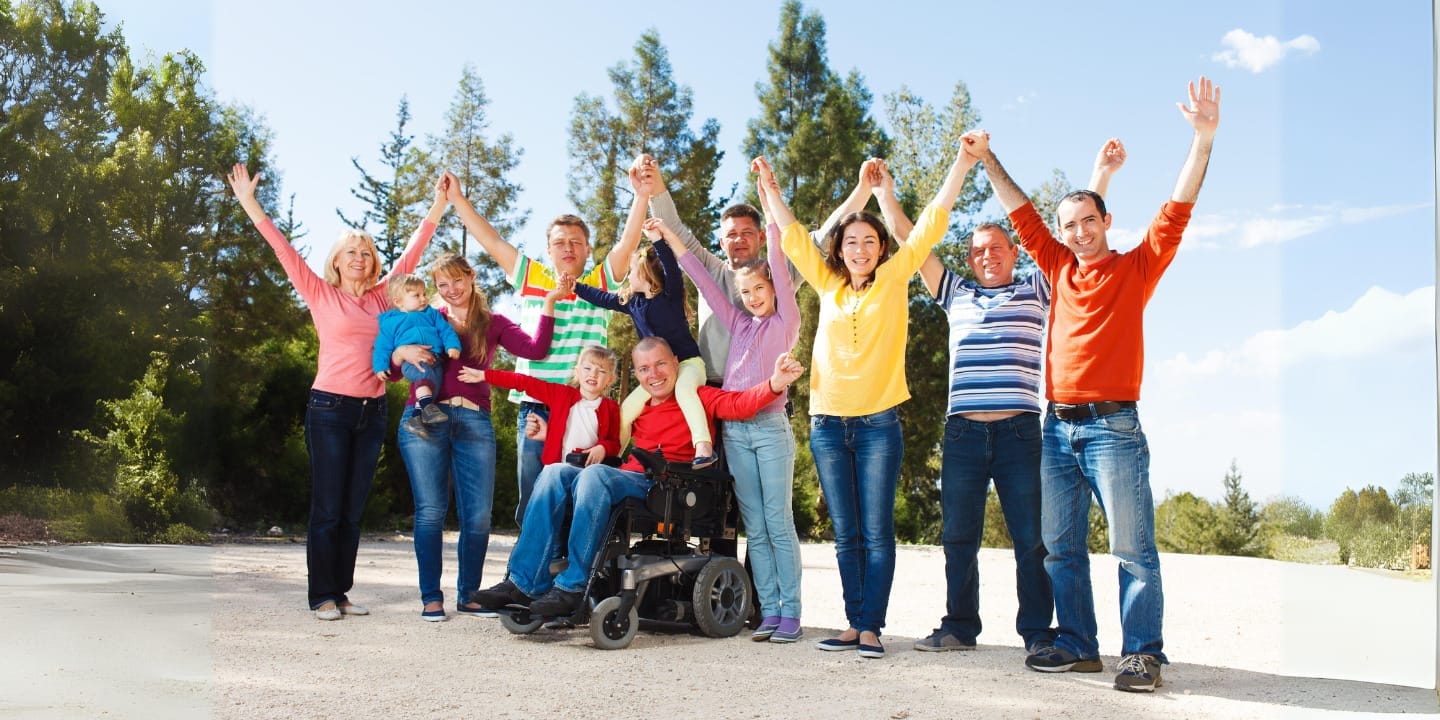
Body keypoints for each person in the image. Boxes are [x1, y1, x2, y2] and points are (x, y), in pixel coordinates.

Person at [969, 77, 1220, 692]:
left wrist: (1204, 139)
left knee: (1133, 550)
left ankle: (1142, 655)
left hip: (1113, 428)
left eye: (1088, 221)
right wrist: (985, 157)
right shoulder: (1056, 265)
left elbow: (1178, 207)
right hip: (1057, 428)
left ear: (1106, 221)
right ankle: (1079, 644)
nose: (1079, 231)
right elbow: (1020, 211)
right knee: (1061, 549)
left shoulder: (1137, 266)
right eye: (1070, 224)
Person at [860, 142, 1124, 659]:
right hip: (962, 433)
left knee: (1033, 539)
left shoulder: (1038, 288)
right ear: (969, 258)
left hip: (1021, 433)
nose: (987, 255)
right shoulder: (953, 291)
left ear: (1014, 253)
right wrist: (883, 194)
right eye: (978, 250)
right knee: (958, 538)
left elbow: (1077, 242)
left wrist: (1101, 175)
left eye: (996, 247)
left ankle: (1037, 632)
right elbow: (909, 239)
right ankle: (959, 624)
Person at [763, 145, 977, 659]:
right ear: (840, 249)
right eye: (852, 241)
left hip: (879, 422)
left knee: (877, 532)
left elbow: (930, 222)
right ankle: (853, 622)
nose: (860, 248)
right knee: (846, 533)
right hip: (828, 423)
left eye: (870, 241)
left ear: (882, 248)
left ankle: (872, 628)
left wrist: (962, 166)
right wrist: (770, 188)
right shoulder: (827, 282)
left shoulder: (896, 276)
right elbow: (793, 237)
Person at [225, 162, 448, 621]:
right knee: (327, 507)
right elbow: (283, 250)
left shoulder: (386, 295)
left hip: (371, 412)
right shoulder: (319, 293)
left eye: (365, 251)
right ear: (336, 261)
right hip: (328, 408)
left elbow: (413, 252)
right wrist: (249, 201)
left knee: (351, 509)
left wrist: (439, 204)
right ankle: (320, 595)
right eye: (351, 252)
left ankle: (341, 592)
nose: (359, 258)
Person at [471, 338, 806, 617]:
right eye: (644, 369)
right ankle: (522, 582)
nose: (653, 374)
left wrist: (775, 383)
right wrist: (549, 437)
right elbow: (601, 439)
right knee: (555, 471)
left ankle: (571, 587)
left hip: (669, 484)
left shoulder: (698, 397)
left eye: (660, 364)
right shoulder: (637, 407)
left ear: (676, 363)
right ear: (636, 374)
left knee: (595, 478)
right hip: (626, 477)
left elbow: (739, 404)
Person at [445, 171, 643, 526]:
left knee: (578, 492)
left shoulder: (599, 282)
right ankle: (525, 573)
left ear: (587, 250)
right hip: (537, 406)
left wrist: (641, 194)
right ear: (549, 250)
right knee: (534, 492)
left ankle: (568, 574)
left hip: (583, 407)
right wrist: (458, 199)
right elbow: (490, 240)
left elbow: (628, 242)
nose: (568, 247)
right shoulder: (530, 277)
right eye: (560, 242)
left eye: (576, 242)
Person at [656, 178, 804, 642]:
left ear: (773, 288)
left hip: (771, 430)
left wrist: (769, 201)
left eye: (760, 288)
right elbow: (700, 274)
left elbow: (778, 257)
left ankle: (792, 613)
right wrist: (670, 234)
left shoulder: (785, 319)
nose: (753, 296)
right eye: (746, 292)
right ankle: (771, 611)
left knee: (778, 522)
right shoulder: (737, 321)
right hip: (736, 431)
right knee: (755, 526)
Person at [391, 253, 560, 622]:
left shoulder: (494, 323)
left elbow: (536, 350)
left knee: (478, 516)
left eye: (457, 281)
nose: (451, 291)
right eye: (441, 285)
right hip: (425, 419)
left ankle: (469, 595)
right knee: (431, 511)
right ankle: (430, 597)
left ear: (471, 277)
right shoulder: (427, 318)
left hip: (474, 422)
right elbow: (392, 368)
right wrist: (399, 351)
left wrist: (547, 304)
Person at [570, 183, 715, 468]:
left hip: (687, 364)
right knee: (627, 409)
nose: (628, 278)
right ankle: (613, 454)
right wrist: (575, 286)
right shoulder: (632, 303)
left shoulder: (670, 296)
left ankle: (704, 446)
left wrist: (657, 240)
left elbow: (671, 268)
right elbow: (601, 297)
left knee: (686, 391)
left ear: (646, 274)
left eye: (633, 272)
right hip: (656, 373)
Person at [475, 345, 622, 469]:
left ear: (611, 379)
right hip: (555, 470)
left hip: (588, 473)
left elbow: (615, 444)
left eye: (601, 371)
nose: (593, 374)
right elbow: (524, 382)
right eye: (588, 368)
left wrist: (603, 447)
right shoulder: (561, 395)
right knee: (546, 496)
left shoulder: (612, 408)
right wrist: (486, 376)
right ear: (577, 372)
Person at [371, 273, 462, 438]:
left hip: (436, 359)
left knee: (433, 384)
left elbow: (445, 330)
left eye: (424, 294)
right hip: (411, 362)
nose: (423, 299)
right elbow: (382, 346)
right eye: (416, 296)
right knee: (425, 374)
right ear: (398, 301)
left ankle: (415, 419)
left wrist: (452, 345)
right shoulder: (391, 322)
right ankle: (428, 409)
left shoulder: (431, 314)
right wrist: (380, 366)